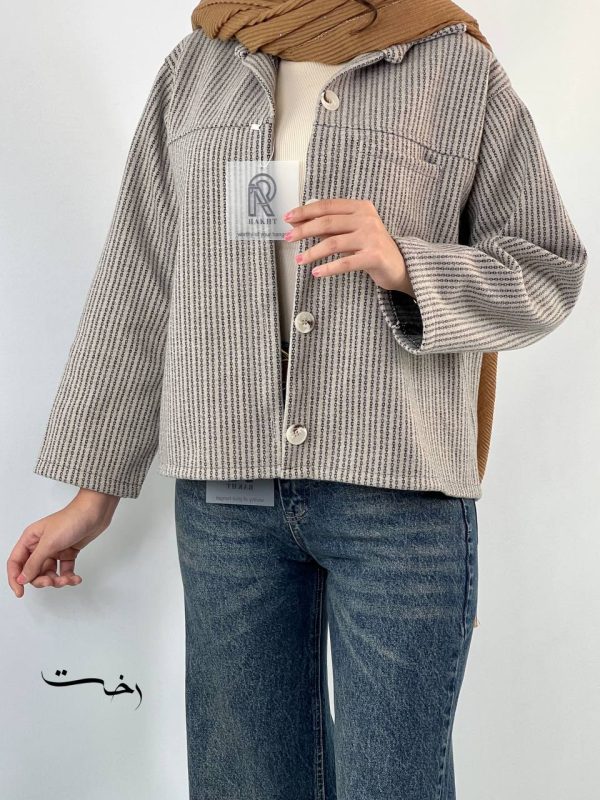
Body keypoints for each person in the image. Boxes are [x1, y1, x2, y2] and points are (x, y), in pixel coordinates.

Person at [7, 1, 588, 798]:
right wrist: (93, 493)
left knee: (394, 785)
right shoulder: (198, 66)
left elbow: (547, 267)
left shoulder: (456, 65)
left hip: (399, 493)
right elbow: (140, 279)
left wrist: (407, 265)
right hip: (227, 496)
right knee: (243, 782)